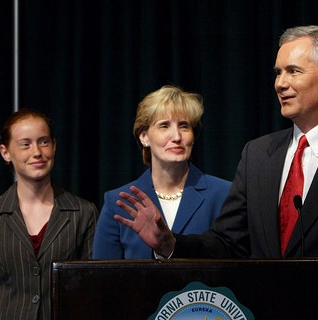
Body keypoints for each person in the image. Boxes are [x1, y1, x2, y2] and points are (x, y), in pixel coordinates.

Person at [114, 25, 318, 319]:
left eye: (293, 71)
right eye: (278, 72)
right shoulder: (258, 155)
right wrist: (170, 244)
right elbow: (227, 243)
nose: (280, 83)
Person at [0, 108, 99, 320]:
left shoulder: (83, 213)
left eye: (43, 142)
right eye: (25, 144)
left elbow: (91, 291)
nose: (37, 152)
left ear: (54, 146)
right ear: (5, 152)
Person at [93, 85, 231, 259]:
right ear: (144, 137)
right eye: (164, 126)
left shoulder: (224, 194)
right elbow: (102, 279)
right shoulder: (118, 202)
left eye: (184, 126)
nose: (176, 136)